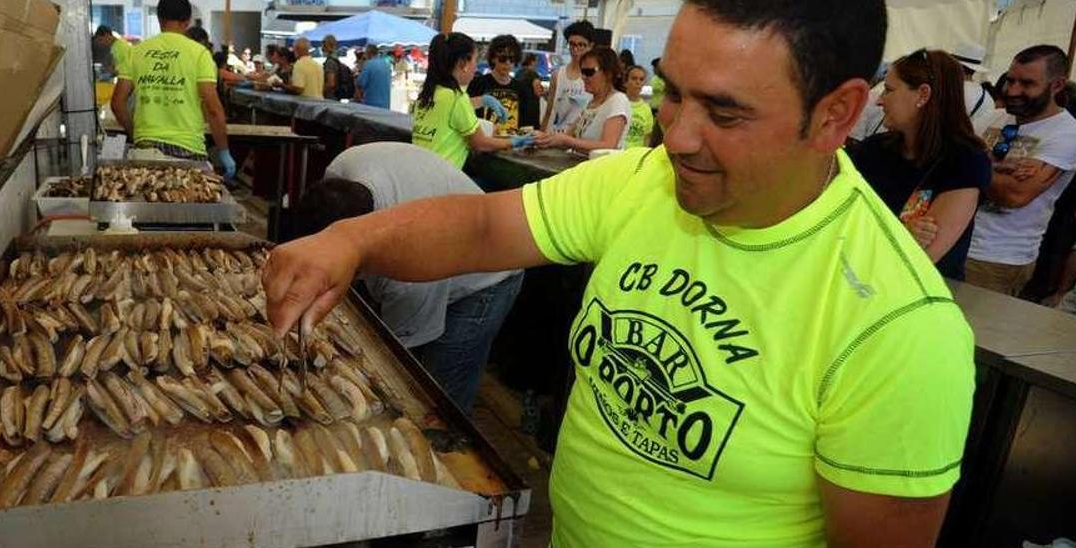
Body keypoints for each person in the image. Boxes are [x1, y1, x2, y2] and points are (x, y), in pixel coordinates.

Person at [262, 0, 974, 544]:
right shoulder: (643, 181)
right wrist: (351, 238)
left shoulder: (896, 329)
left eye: (723, 112)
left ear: (837, 113)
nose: (678, 135)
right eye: (672, 92)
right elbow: (482, 225)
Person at [294, 142, 524, 410]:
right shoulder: (341, 169)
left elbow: (399, 357)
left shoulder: (409, 268)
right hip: (445, 222)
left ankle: (441, 447)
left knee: (437, 393)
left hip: (488, 276)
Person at [848, 49, 991, 280]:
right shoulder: (873, 150)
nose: (879, 100)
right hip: (859, 279)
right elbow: (840, 222)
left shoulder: (965, 161)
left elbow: (923, 257)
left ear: (923, 95)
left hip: (918, 295)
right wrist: (902, 233)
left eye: (889, 90)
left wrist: (870, 232)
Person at [967, 45, 1076, 295]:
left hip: (997, 258)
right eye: (1010, 80)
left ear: (1057, 85)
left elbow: (1015, 195)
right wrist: (995, 165)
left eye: (1027, 84)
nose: (1012, 91)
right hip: (952, 239)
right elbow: (944, 161)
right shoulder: (993, 118)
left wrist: (974, 161)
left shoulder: (1069, 134)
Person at [110, 0, 236, 180]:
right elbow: (213, 109)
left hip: (146, 150)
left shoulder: (136, 52)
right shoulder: (199, 54)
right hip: (188, 152)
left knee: (149, 202)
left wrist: (135, 132)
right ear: (188, 21)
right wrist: (223, 151)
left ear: (159, 18)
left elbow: (117, 103)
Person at [410, 32, 536, 169]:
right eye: (475, 60)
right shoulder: (457, 98)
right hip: (443, 178)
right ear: (463, 64)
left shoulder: (430, 93)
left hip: (420, 172)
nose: (476, 67)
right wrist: (513, 142)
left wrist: (484, 100)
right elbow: (480, 143)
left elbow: (452, 111)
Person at [536, 46, 631, 152]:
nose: (583, 77)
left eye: (589, 72)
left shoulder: (618, 101)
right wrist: (542, 138)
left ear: (608, 74)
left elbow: (608, 146)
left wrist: (566, 140)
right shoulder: (591, 103)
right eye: (582, 72)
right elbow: (567, 138)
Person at [467, 35, 539, 134]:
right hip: (483, 143)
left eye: (512, 59)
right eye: (502, 58)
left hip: (512, 144)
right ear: (493, 58)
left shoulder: (523, 89)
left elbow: (528, 124)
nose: (507, 63)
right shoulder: (476, 84)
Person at [542, 20, 595, 132]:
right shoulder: (557, 74)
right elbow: (550, 111)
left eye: (581, 45)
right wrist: (542, 135)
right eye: (572, 44)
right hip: (557, 135)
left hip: (583, 137)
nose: (576, 49)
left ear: (590, 46)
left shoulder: (595, 75)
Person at [623, 65, 655, 148]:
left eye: (641, 79)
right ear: (625, 82)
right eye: (634, 78)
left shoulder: (646, 108)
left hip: (637, 154)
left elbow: (647, 136)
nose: (638, 82)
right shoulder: (619, 103)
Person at [354, 44, 392, 109]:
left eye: (365, 53)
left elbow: (359, 84)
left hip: (371, 104)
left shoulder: (369, 65)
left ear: (369, 54)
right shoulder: (386, 64)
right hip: (385, 104)